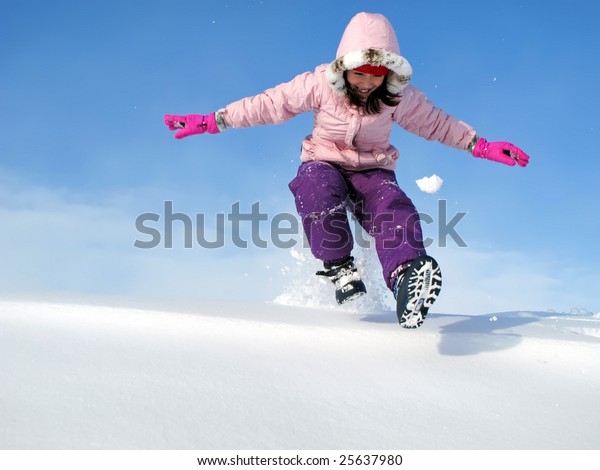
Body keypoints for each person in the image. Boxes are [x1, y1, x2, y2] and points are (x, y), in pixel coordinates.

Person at [164, 12, 530, 328]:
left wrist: (478, 144)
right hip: (324, 161)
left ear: (390, 75)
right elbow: (269, 104)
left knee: (394, 208)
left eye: (377, 76)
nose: (368, 84)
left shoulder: (399, 99)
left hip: (373, 170)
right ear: (345, 67)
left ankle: (407, 277)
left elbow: (437, 123)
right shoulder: (319, 85)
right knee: (314, 186)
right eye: (360, 74)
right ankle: (340, 267)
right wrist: (215, 121)